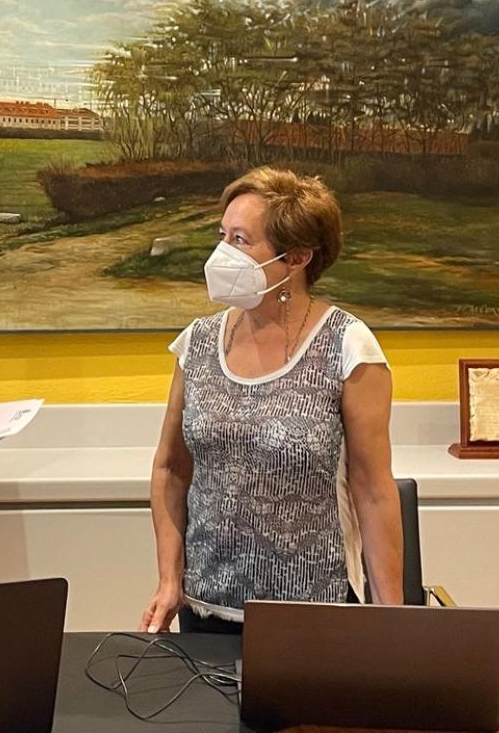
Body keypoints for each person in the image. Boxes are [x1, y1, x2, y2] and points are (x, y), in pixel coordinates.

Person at [140, 166, 404, 635]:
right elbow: (170, 469)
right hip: (205, 610)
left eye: (240, 240)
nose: (222, 254)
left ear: (297, 258)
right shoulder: (197, 343)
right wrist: (168, 579)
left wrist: (392, 621)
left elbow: (373, 490)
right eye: (222, 235)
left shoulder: (347, 346)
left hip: (311, 616)